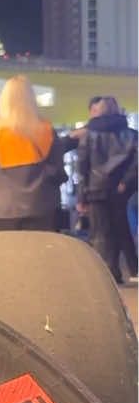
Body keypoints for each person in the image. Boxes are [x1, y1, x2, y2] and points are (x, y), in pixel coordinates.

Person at [0, 76, 69, 232]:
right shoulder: (47, 130)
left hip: (4, 209)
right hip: (41, 206)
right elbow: (58, 171)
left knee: (10, 255)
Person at [76, 96, 138, 283]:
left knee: (100, 232)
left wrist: (81, 196)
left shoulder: (89, 134)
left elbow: (82, 167)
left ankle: (107, 274)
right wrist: (125, 182)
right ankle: (128, 269)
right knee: (121, 229)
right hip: (120, 190)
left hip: (95, 189)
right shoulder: (130, 134)